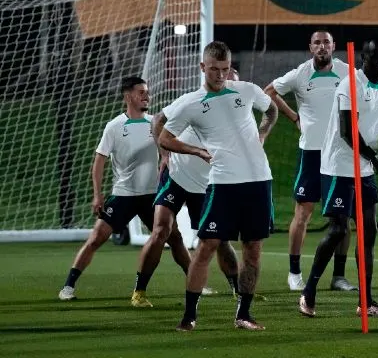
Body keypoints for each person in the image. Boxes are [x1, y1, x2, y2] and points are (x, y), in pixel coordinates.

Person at [157, 41, 278, 332]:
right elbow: (164, 136)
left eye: (225, 69)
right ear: (202, 67)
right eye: (214, 69)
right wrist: (196, 151)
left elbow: (271, 110)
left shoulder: (246, 89)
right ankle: (188, 316)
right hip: (223, 183)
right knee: (207, 246)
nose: (220, 75)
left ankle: (244, 314)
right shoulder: (191, 104)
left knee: (253, 250)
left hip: (259, 181)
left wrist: (262, 134)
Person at [298, 38, 378, 318]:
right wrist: (375, 157)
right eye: (377, 57)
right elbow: (347, 131)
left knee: (369, 233)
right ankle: (309, 291)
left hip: (364, 172)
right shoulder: (350, 85)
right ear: (364, 58)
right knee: (339, 231)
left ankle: (366, 301)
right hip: (339, 168)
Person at [130, 68, 243, 308]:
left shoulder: (240, 117)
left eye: (234, 85)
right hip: (177, 176)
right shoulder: (193, 101)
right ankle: (139, 291)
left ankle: (238, 290)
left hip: (206, 185)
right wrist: (163, 154)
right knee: (161, 231)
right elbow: (158, 122)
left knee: (220, 240)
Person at [58, 76, 172, 300]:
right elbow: (99, 162)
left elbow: (168, 154)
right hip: (124, 195)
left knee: (174, 239)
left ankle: (196, 283)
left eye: (147, 92)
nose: (147, 96)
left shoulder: (155, 123)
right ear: (128, 96)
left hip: (152, 196)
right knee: (95, 239)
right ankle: (68, 287)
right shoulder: (114, 126)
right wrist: (97, 195)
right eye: (141, 92)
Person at [264, 30, 356, 292]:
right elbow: (269, 91)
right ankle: (294, 273)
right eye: (317, 42)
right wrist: (294, 117)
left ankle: (339, 276)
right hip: (312, 152)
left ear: (334, 46)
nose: (322, 46)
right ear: (310, 47)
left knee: (342, 217)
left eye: (326, 42)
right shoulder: (300, 74)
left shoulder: (347, 71)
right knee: (302, 213)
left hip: (339, 153)